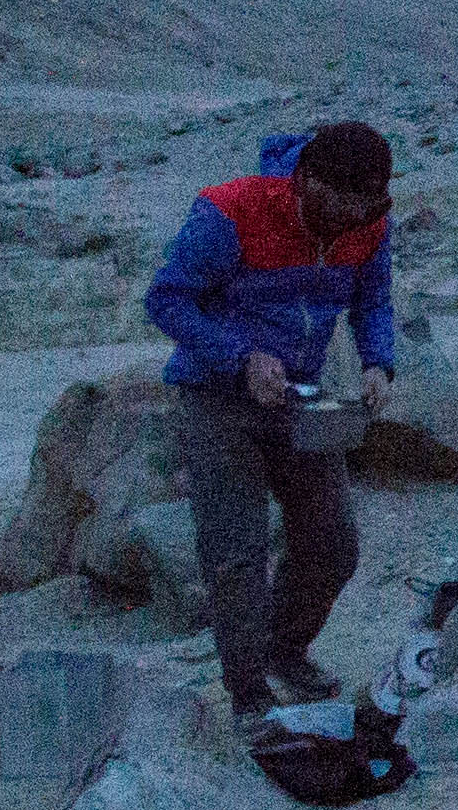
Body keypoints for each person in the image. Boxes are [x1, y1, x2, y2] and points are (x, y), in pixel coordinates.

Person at [147, 118, 400, 720]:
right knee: (237, 555)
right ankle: (250, 695)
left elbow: (372, 300)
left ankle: (284, 651)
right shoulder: (231, 212)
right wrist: (240, 358)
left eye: (363, 209)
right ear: (306, 180)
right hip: (217, 398)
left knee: (332, 546)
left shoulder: (368, 224)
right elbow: (166, 300)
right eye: (338, 206)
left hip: (299, 400)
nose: (348, 222)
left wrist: (378, 363)